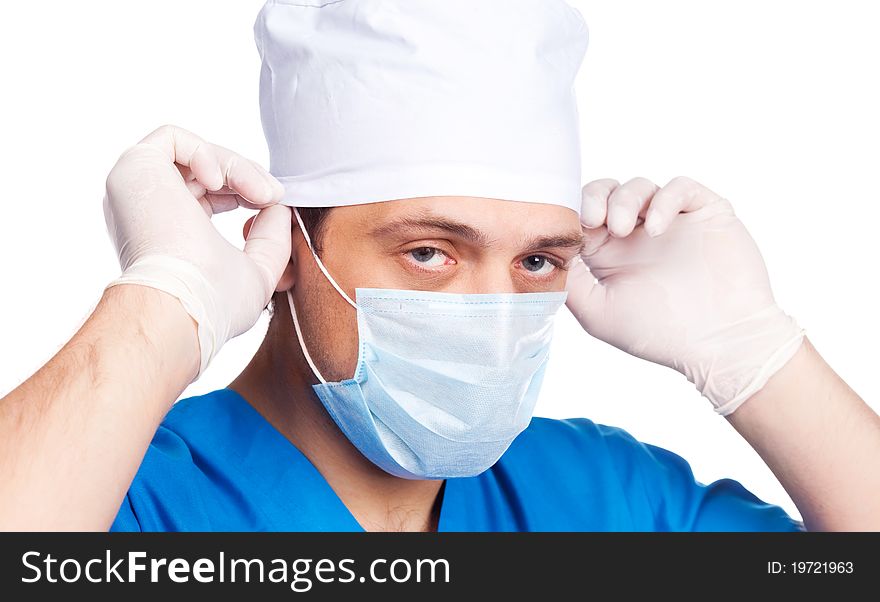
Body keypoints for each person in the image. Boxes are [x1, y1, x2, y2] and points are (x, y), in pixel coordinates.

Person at [2, 1, 879, 532]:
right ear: (289, 248)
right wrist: (165, 302)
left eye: (537, 259)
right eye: (430, 252)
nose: (492, 311)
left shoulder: (601, 497)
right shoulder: (130, 499)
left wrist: (755, 352)